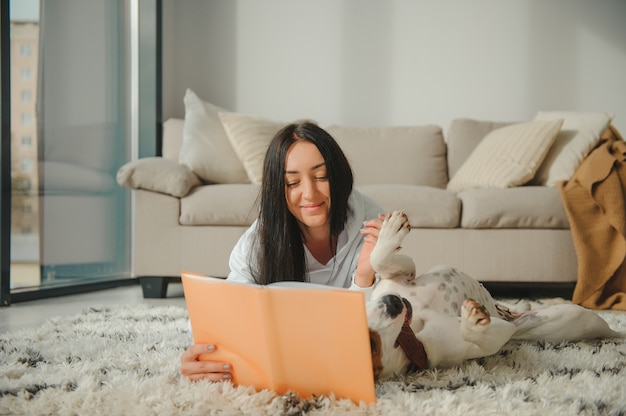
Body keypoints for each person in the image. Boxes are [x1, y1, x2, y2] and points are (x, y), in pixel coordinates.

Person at [180, 121, 384, 382]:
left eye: (321, 177)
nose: (309, 193)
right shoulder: (257, 242)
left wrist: (364, 276)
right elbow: (225, 314)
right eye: (292, 182)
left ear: (339, 175)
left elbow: (375, 329)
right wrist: (200, 355)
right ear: (278, 189)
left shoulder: (369, 221)